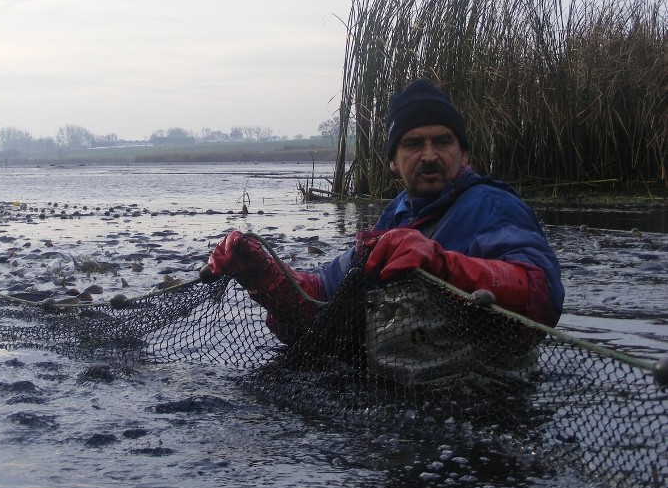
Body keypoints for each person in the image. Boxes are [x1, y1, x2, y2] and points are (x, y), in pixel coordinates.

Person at [202, 79, 564, 345]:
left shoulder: (493, 205)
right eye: (412, 144)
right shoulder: (396, 215)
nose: (429, 155)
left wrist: (445, 266)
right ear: (393, 161)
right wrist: (264, 274)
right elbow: (324, 292)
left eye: (442, 141)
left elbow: (542, 291)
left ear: (464, 153)